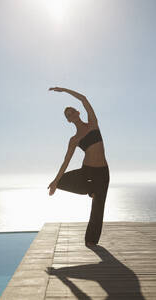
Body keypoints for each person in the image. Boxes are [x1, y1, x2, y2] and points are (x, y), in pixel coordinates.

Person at [48, 87, 110, 247]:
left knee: (99, 205)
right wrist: (55, 180)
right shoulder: (74, 139)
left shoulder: (93, 124)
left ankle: (91, 240)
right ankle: (90, 190)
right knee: (62, 181)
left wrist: (63, 90)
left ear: (78, 112)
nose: (71, 115)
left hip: (103, 171)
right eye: (68, 116)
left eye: (72, 112)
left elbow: (84, 99)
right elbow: (66, 161)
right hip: (87, 170)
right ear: (68, 120)